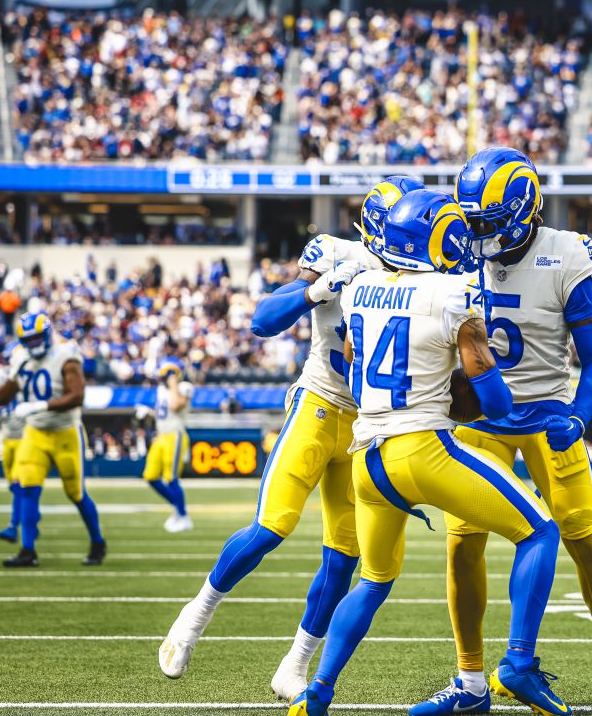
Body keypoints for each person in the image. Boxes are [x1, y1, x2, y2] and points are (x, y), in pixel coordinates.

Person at [293, 189, 567, 716]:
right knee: (540, 531)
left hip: (367, 458)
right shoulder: (453, 294)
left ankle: (317, 692)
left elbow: (353, 369)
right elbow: (492, 399)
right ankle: (517, 664)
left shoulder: (361, 287)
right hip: (423, 450)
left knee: (373, 579)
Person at [410, 147, 592, 716]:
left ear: (525, 212)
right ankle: (471, 682)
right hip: (478, 416)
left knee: (583, 539)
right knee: (462, 542)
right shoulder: (453, 254)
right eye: (470, 221)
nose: (474, 236)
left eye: (488, 223)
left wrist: (577, 415)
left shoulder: (565, 255)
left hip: (546, 414)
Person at [158, 179, 414, 694]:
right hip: (320, 403)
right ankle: (194, 616)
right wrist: (317, 290)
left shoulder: (427, 272)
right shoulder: (337, 254)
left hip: (370, 423)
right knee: (272, 526)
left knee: (343, 557)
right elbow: (262, 321)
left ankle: (294, 664)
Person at [0, 312, 107, 568]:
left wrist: (40, 405)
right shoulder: (21, 358)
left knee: (75, 493)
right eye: (27, 340)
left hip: (65, 432)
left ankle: (97, 541)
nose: (33, 344)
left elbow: (77, 396)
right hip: (36, 433)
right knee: (27, 487)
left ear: (48, 334)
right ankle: (27, 550)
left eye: (37, 338)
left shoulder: (65, 355)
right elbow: (2, 397)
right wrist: (7, 384)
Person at [135, 360, 194, 533]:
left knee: (171, 478)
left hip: (175, 436)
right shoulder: (161, 390)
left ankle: (183, 516)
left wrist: (173, 383)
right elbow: (164, 413)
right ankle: (178, 508)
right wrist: (149, 413)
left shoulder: (183, 387)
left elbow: (176, 405)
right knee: (150, 476)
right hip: (161, 436)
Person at [0, 342, 28, 544]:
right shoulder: (4, 376)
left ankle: (14, 526)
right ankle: (31, 518)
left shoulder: (29, 374)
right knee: (14, 487)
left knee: (18, 484)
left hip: (24, 438)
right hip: (8, 437)